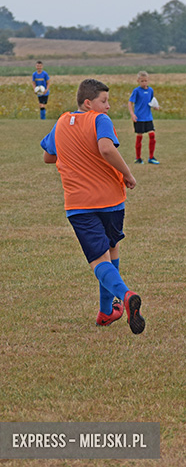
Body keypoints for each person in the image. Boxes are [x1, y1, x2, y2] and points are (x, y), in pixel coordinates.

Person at [40, 78, 145, 334]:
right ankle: (109, 310)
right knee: (110, 250)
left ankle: (121, 298)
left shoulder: (62, 121)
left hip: (79, 204)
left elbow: (48, 156)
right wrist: (128, 174)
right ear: (88, 103)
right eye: (104, 101)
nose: (108, 107)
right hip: (112, 201)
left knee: (99, 260)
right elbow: (106, 149)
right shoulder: (99, 120)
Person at [128, 71, 160, 165]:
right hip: (139, 118)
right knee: (139, 136)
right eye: (142, 81)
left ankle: (151, 157)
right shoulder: (136, 91)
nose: (144, 83)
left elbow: (151, 101)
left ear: (148, 80)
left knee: (152, 135)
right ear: (138, 81)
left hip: (148, 117)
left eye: (145, 81)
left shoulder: (150, 90)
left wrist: (155, 106)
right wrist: (132, 114)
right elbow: (130, 102)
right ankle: (138, 158)